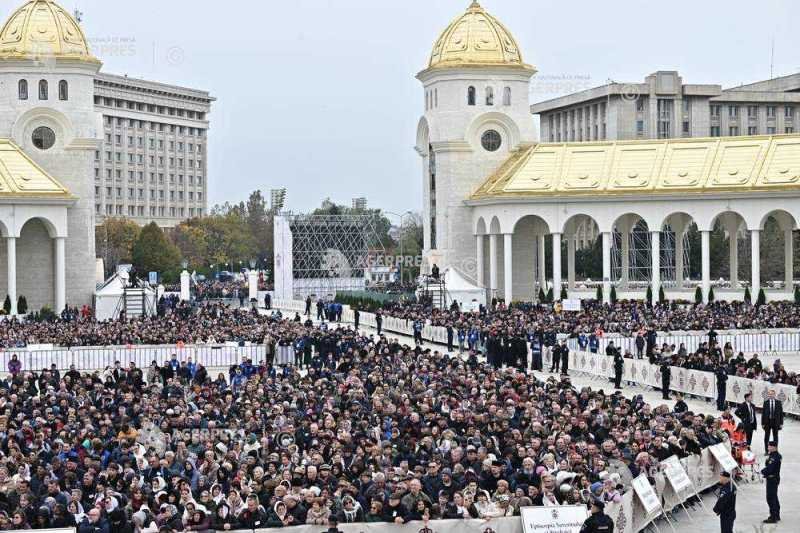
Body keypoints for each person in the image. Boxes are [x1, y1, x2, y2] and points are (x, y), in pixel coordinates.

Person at [760, 441, 781, 523]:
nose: (768, 447)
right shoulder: (772, 455)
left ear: (774, 447)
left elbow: (770, 468)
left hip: (772, 479)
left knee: (771, 498)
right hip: (771, 479)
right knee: (774, 497)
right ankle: (776, 515)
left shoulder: (775, 457)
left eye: (769, 446)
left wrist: (762, 471)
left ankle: (773, 517)